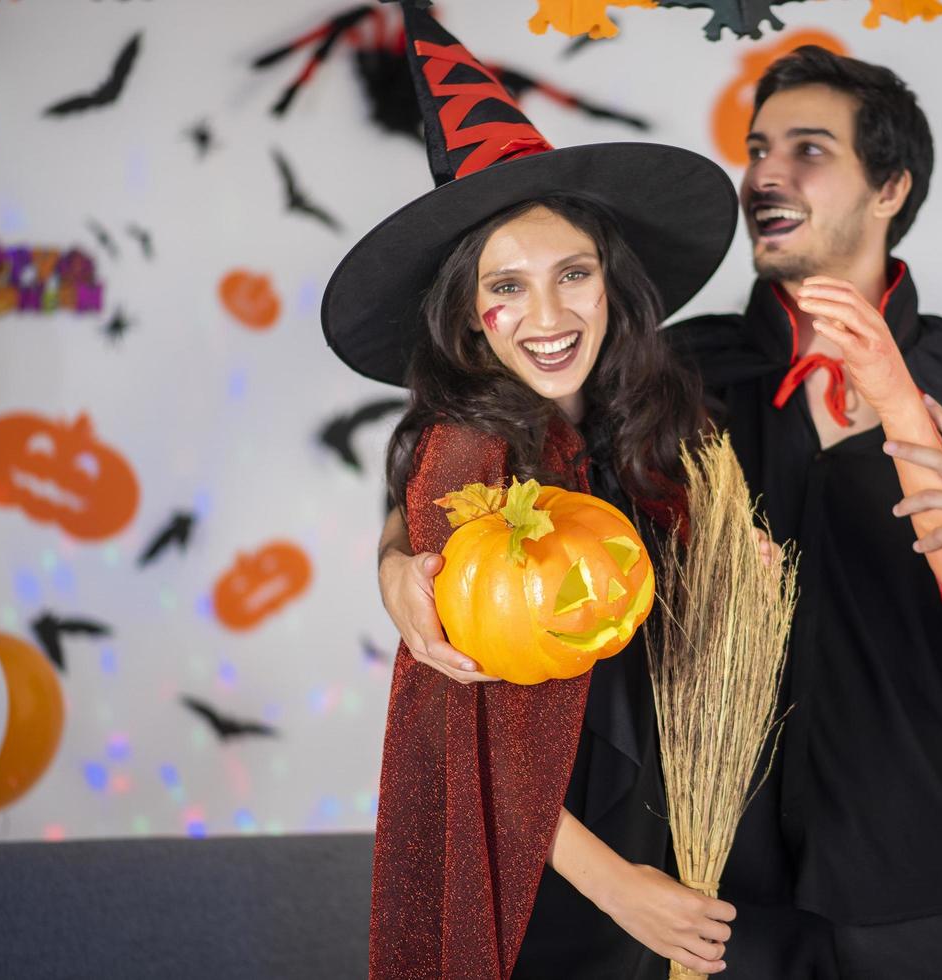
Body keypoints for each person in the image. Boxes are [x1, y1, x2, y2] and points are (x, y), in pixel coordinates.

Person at [380, 44, 942, 980]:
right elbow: (501, 467)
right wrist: (395, 553)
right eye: (757, 148)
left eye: (807, 150)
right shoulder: (673, 382)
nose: (766, 174)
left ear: (889, 187)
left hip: (927, 889)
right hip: (721, 894)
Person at [325, 8, 746, 978]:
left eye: (572, 273)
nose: (548, 316)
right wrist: (621, 888)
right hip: (550, 892)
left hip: (658, 843)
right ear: (466, 319)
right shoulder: (469, 443)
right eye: (505, 285)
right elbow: (466, 745)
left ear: (612, 282)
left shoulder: (628, 419)